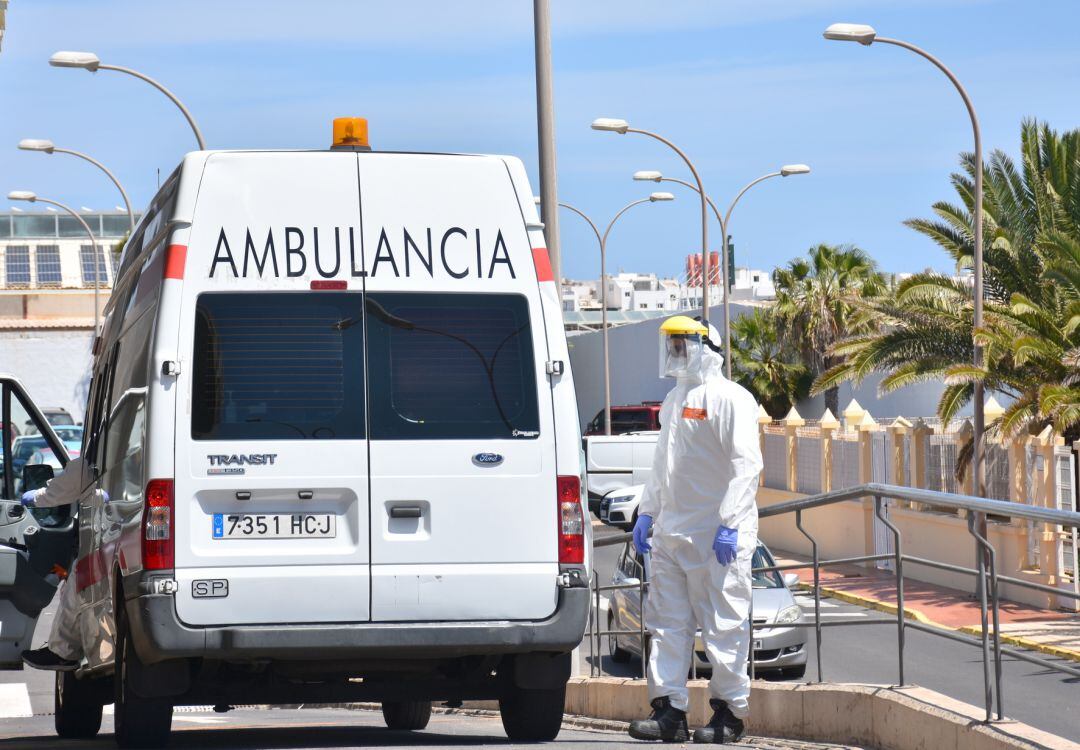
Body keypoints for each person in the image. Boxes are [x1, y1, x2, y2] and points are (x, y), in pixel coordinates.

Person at [628, 316, 763, 744]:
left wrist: (730, 523)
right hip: (671, 533)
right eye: (672, 343)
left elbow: (747, 466)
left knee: (724, 626)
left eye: (683, 343)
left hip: (717, 537)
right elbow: (662, 466)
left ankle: (728, 714)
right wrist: (647, 512)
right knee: (668, 626)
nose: (676, 352)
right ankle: (669, 711)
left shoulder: (732, 399)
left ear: (707, 346)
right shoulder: (673, 400)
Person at [19, 456, 89, 671]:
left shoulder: (100, 447)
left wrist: (34, 497)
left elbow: (61, 490)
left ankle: (62, 652)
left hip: (109, 533)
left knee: (75, 586)